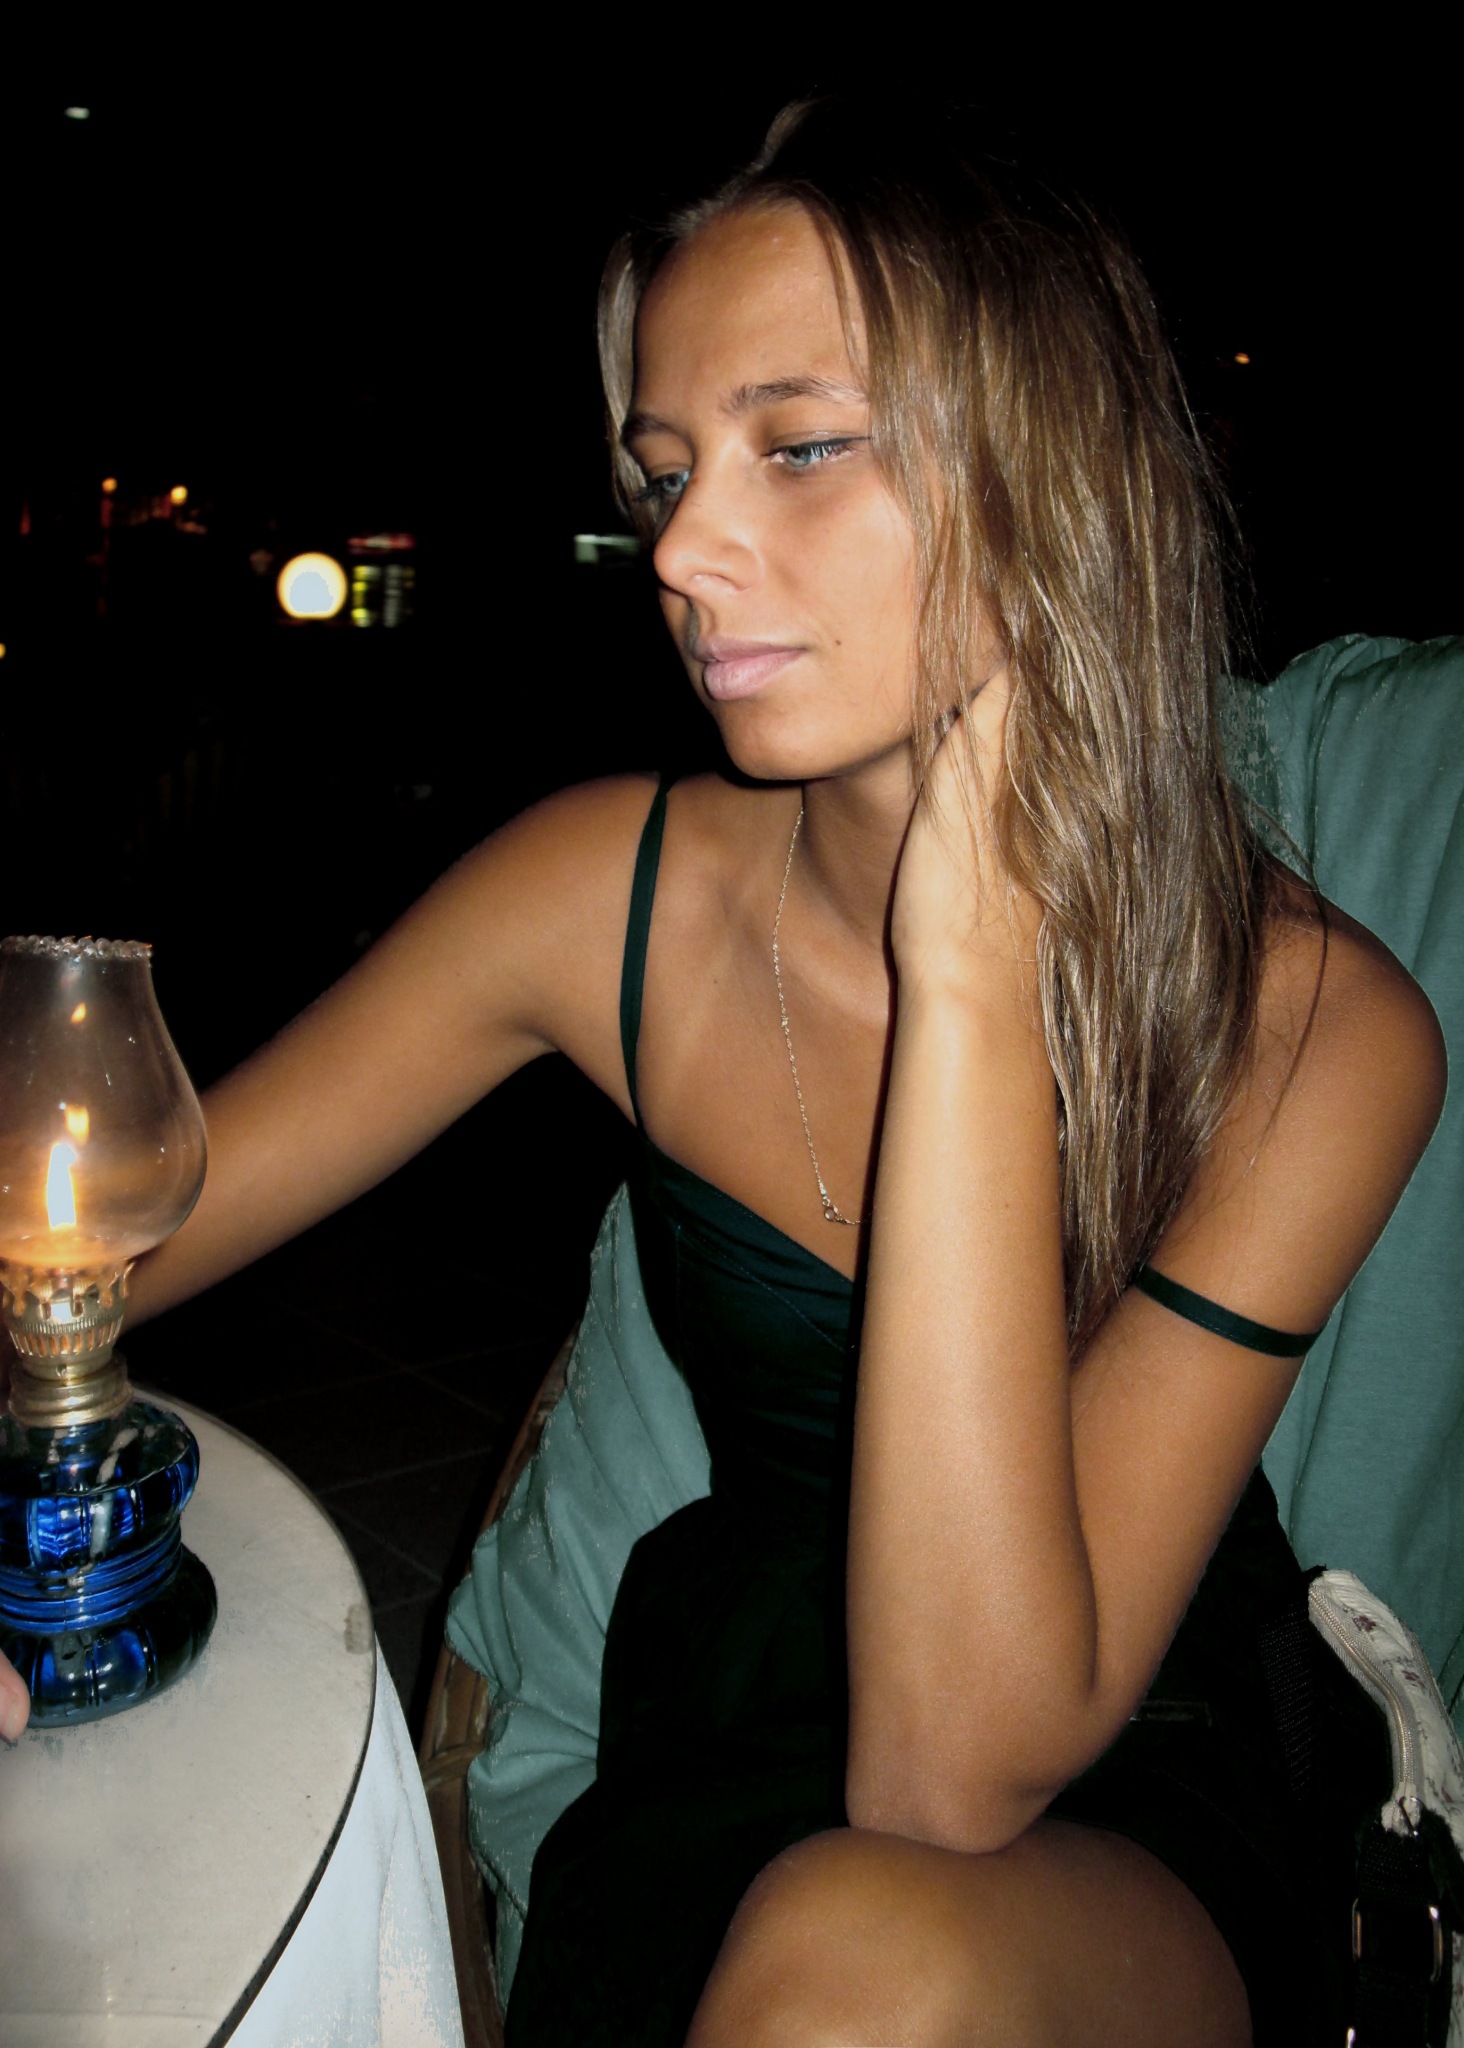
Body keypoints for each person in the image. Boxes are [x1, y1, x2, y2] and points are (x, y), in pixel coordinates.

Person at [1, 100, 1448, 2042]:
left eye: (804, 445)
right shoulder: (611, 895)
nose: (679, 546)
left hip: (1135, 1783)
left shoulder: (1314, 1024)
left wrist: (968, 976)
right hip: (723, 1733)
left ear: (1046, 475)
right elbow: (104, 1238)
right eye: (666, 467)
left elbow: (948, 1779)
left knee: (863, 1953)